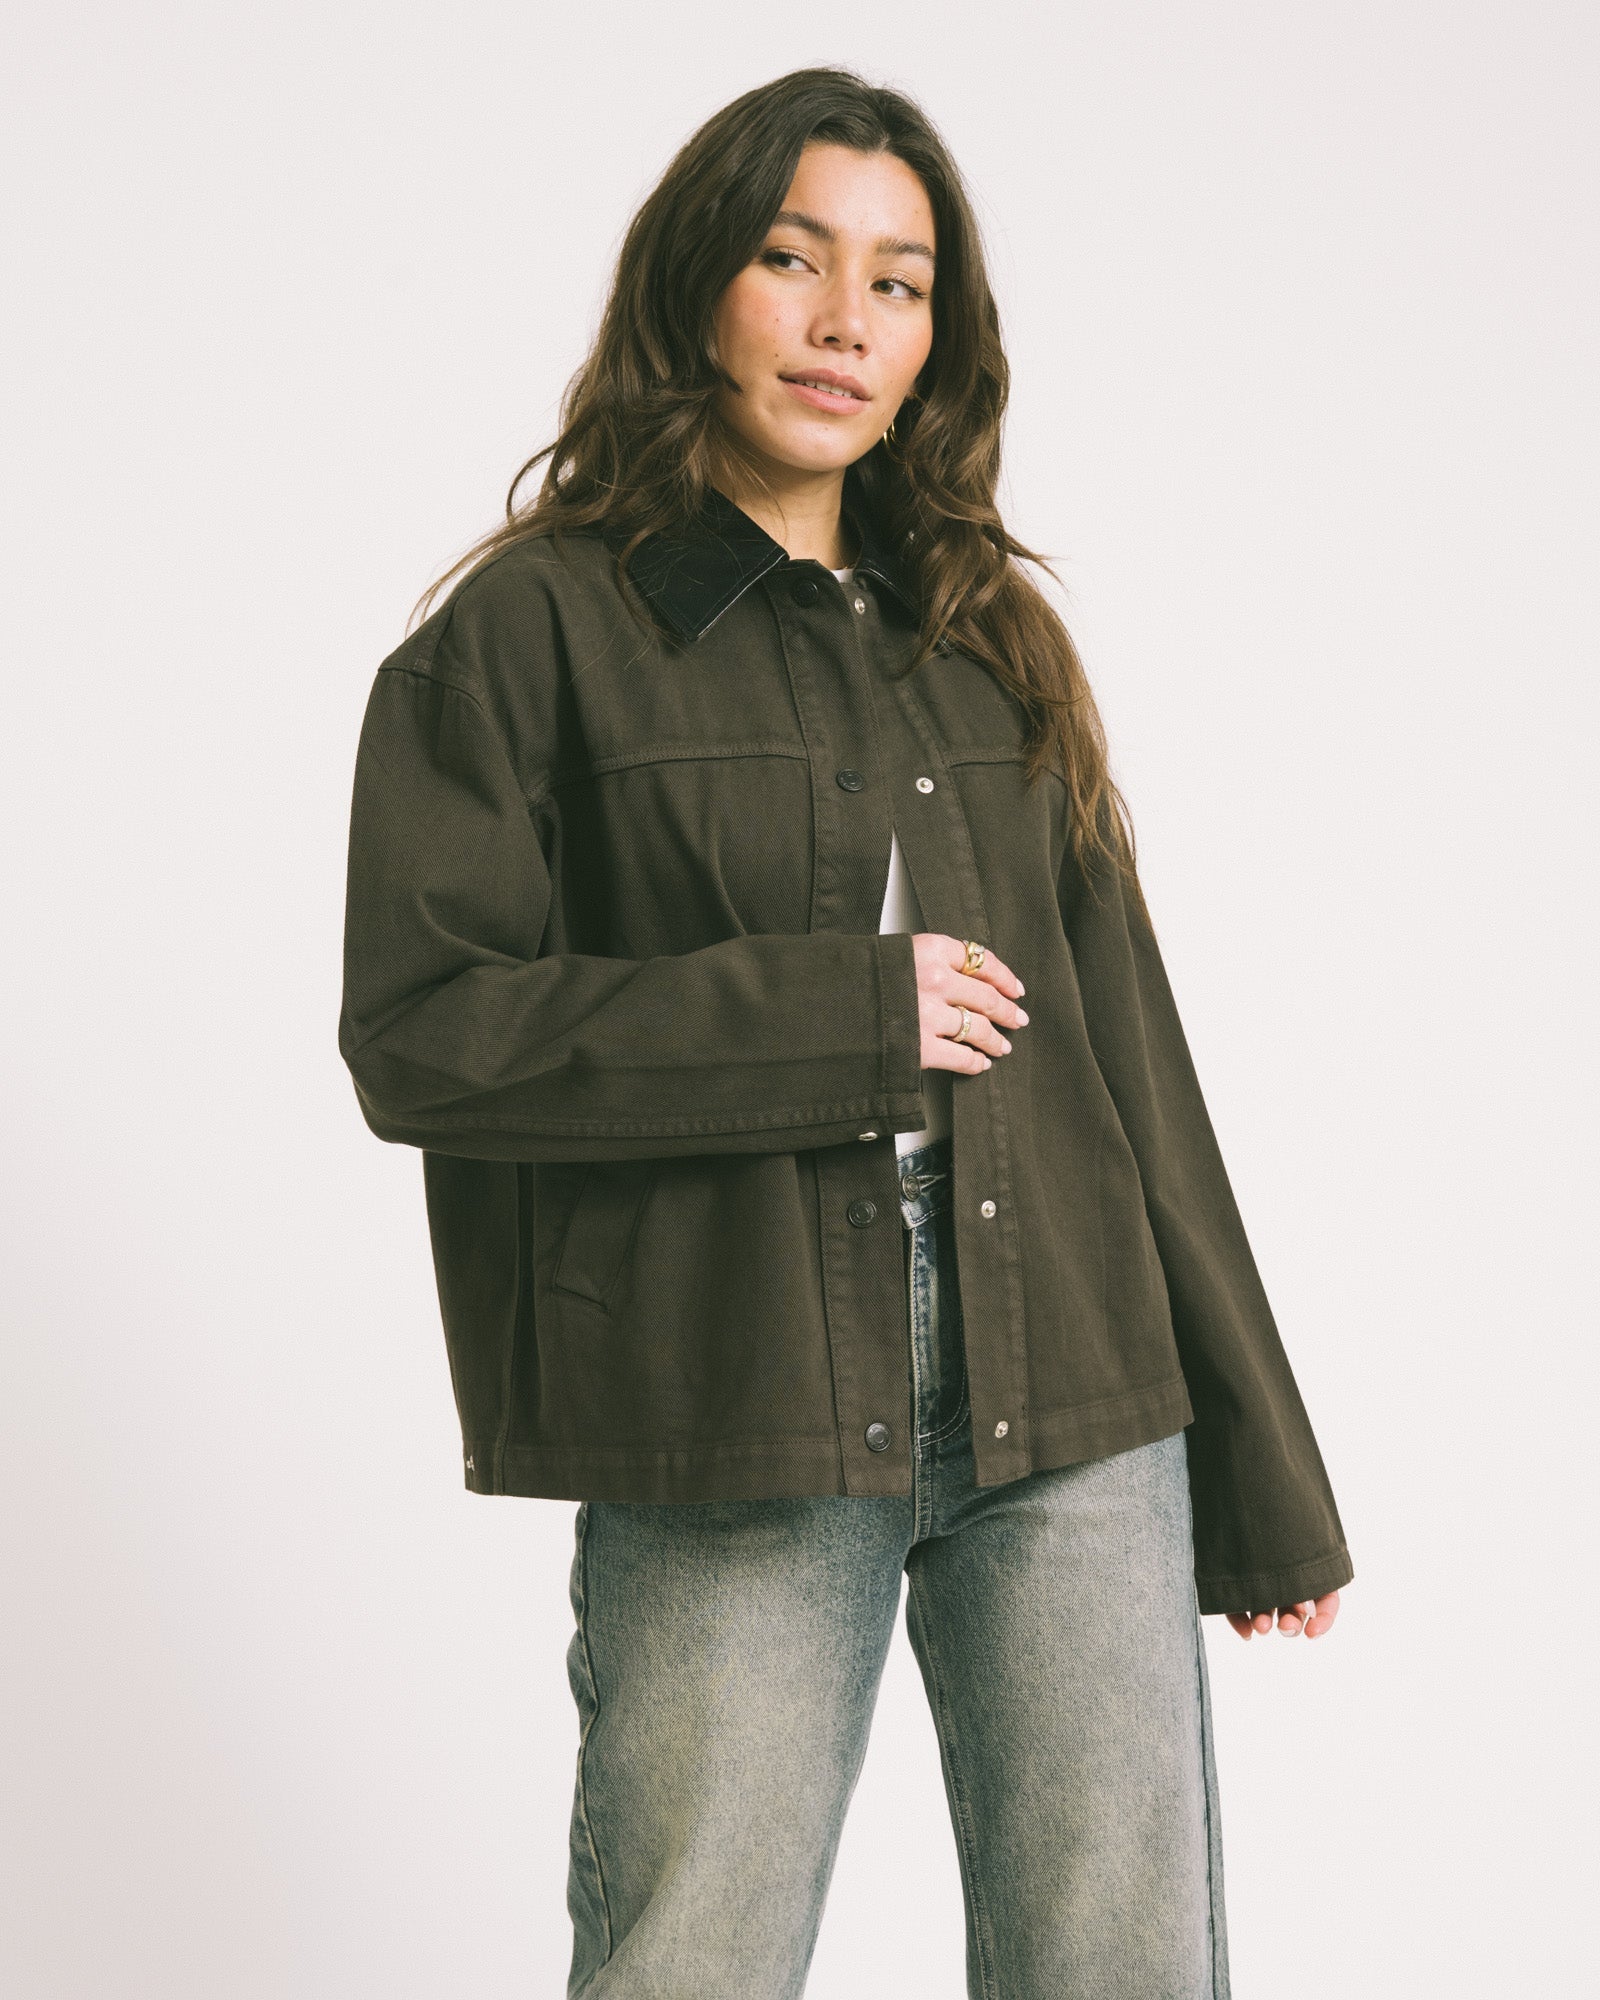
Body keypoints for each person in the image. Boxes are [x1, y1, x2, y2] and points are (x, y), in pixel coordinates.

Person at [339, 65, 1352, 2000]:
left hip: (1072, 1382)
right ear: (698, 285)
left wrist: (1262, 1468)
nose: (843, 322)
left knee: (1122, 1967)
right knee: (692, 1960)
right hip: (732, 1384)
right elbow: (424, 1030)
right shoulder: (531, 632)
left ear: (935, 343)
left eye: (898, 284)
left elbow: (1132, 1065)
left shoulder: (985, 633)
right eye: (794, 260)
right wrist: (841, 1017)